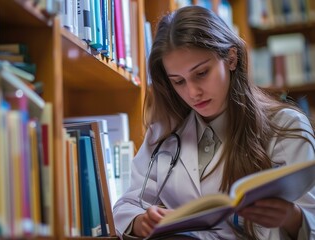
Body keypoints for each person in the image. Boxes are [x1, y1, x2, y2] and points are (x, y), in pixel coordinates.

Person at [113, 5, 315, 240]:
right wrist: (140, 221)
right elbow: (127, 205)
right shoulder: (164, 133)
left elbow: (311, 220)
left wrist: (292, 217)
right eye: (178, 81)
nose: (192, 92)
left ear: (231, 58)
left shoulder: (286, 127)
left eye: (201, 73)